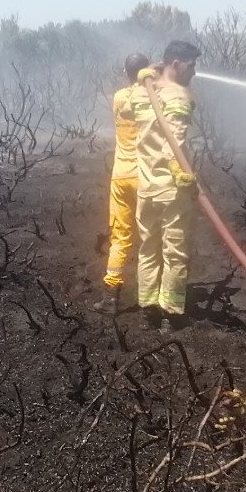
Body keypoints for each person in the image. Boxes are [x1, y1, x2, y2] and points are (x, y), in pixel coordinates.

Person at [132, 40, 201, 332]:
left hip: (145, 187)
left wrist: (149, 74)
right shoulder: (178, 98)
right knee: (175, 252)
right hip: (172, 190)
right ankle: (170, 315)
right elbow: (176, 142)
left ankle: (147, 308)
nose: (195, 72)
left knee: (148, 249)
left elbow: (129, 107)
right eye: (192, 65)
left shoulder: (140, 93)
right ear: (177, 63)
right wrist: (182, 173)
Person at [94, 53, 156, 313]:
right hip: (146, 176)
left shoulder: (119, 97)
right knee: (151, 238)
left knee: (120, 236)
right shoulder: (154, 98)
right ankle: (151, 300)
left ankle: (111, 299)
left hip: (121, 175)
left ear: (126, 71)